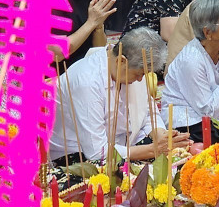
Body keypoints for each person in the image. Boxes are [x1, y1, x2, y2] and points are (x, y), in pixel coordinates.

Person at [49, 27, 191, 164]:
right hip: (78, 156)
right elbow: (98, 153)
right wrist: (152, 150)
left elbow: (148, 113)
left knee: (179, 161)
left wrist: (161, 135)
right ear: (121, 61)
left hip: (124, 143)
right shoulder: (87, 82)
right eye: (139, 74)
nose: (141, 80)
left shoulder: (129, 67)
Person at [161, 0, 219, 143]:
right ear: (208, 32)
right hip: (187, 121)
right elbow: (207, 111)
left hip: (213, 113)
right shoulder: (191, 60)